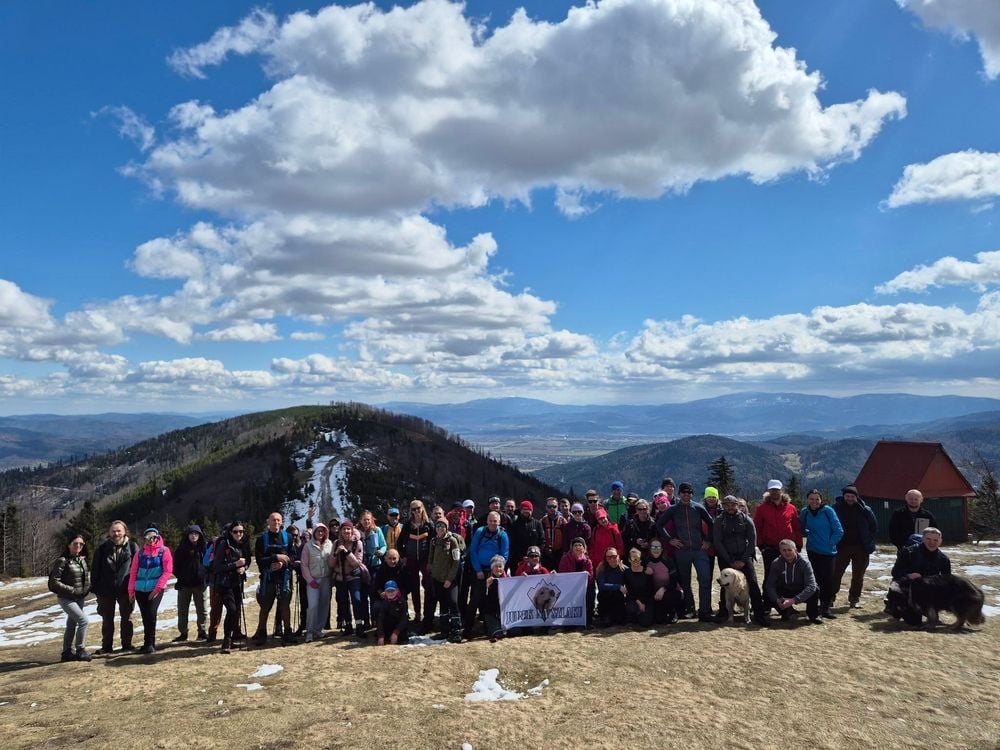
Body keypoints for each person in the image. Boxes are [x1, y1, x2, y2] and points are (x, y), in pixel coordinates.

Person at [655, 482, 715, 622]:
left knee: (705, 579)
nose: (686, 495)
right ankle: (690, 609)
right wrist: (670, 540)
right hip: (682, 551)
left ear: (692, 494)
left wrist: (708, 540)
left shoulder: (698, 507)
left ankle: (704, 611)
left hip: (699, 550)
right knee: (685, 582)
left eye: (689, 492)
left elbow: (712, 524)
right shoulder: (673, 509)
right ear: (679, 494)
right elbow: (659, 524)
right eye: (684, 492)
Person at [713, 494, 767, 626]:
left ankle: (759, 614)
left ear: (737, 505)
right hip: (726, 558)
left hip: (745, 556)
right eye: (727, 505)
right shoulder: (719, 521)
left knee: (753, 584)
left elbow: (752, 541)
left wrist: (743, 560)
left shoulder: (746, 520)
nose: (730, 507)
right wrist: (730, 560)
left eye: (733, 505)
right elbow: (717, 542)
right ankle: (724, 612)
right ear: (723, 506)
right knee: (725, 584)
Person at [90, 520, 137, 654]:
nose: (116, 533)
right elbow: (95, 570)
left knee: (127, 618)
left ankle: (127, 645)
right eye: (113, 531)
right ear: (109, 533)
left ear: (125, 531)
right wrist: (96, 588)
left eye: (119, 531)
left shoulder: (132, 547)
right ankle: (106, 647)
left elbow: (137, 567)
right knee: (107, 619)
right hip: (105, 590)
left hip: (126, 589)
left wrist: (135, 587)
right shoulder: (102, 549)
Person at [252, 511, 296, 645]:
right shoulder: (261, 539)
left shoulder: (288, 538)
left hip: (284, 578)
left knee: (285, 606)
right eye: (273, 520)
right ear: (268, 522)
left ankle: (287, 632)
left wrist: (283, 563)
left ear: (281, 522)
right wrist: (275, 558)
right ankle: (262, 633)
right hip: (268, 579)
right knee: (265, 607)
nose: (276, 522)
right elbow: (259, 560)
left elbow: (293, 557)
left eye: (278, 520)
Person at [127, 527, 174, 654]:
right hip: (140, 589)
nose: (151, 540)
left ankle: (150, 643)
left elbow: (167, 571)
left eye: (154, 537)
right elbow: (133, 573)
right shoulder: (140, 554)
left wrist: (157, 589)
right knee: (145, 616)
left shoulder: (164, 551)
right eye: (148, 538)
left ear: (158, 537)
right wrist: (131, 591)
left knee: (151, 614)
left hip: (155, 589)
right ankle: (148, 643)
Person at [800, 490, 844, 619]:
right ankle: (815, 606)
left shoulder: (828, 511)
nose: (814, 502)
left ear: (821, 500)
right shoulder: (805, 512)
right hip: (813, 550)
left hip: (828, 552)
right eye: (811, 499)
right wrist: (809, 534)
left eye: (817, 499)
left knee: (828, 580)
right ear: (807, 500)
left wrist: (830, 543)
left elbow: (839, 530)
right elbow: (801, 528)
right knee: (815, 579)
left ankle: (826, 607)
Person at [832, 485, 878, 609]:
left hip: (861, 548)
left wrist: (868, 540)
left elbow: (873, 527)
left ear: (856, 497)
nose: (849, 498)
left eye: (852, 496)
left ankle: (854, 599)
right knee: (836, 573)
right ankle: (830, 598)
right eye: (847, 496)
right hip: (841, 547)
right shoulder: (836, 508)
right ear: (843, 496)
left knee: (858, 575)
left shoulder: (865, 509)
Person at [465, 511, 509, 638]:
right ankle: (467, 628)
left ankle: (488, 627)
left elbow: (504, 555)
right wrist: (478, 569)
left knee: (491, 600)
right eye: (491, 520)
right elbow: (473, 551)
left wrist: (497, 572)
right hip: (479, 571)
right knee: (475, 599)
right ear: (487, 521)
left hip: (494, 572)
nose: (493, 523)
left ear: (499, 522)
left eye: (495, 521)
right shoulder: (480, 532)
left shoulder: (503, 535)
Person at [49, 534, 92, 662]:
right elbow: (54, 582)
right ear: (69, 545)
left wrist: (87, 589)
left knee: (71, 624)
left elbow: (84, 578)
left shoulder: (81, 559)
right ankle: (80, 650)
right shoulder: (62, 560)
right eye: (75, 543)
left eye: (81, 544)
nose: (78, 546)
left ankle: (66, 652)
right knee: (84, 621)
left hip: (80, 598)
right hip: (66, 598)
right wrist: (72, 590)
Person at [397, 500, 434, 633]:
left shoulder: (429, 524)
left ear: (422, 508)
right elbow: (399, 542)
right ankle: (417, 613)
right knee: (414, 587)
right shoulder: (407, 525)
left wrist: (431, 560)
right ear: (411, 511)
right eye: (413, 509)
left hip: (425, 560)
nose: (416, 511)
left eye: (418, 508)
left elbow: (434, 543)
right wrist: (403, 556)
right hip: (411, 560)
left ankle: (428, 613)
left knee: (428, 585)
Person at [211, 522, 248, 654]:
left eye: (241, 531)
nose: (239, 534)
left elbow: (247, 561)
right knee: (232, 609)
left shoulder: (242, 544)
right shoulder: (223, 544)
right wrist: (235, 564)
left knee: (235, 610)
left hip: (237, 582)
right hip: (224, 583)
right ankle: (226, 641)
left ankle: (230, 638)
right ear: (230, 532)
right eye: (236, 531)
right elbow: (217, 567)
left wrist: (244, 568)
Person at [765, 539, 821, 624]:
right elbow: (770, 585)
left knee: (815, 589)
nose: (787, 553)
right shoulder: (776, 563)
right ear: (780, 551)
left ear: (795, 550)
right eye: (784, 550)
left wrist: (794, 600)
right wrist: (776, 600)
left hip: (800, 589)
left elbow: (811, 585)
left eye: (789, 550)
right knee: (769, 591)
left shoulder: (805, 563)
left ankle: (813, 614)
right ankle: (786, 611)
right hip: (785, 589)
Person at [754, 480, 803, 575]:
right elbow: (757, 527)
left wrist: (799, 544)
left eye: (777, 489)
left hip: (788, 547)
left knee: (789, 574)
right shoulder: (762, 508)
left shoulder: (791, 508)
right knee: (770, 575)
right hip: (769, 548)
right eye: (772, 490)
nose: (775, 492)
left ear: (782, 490)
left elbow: (796, 527)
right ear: (769, 491)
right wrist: (761, 545)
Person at [428, 518, 465, 642]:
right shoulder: (433, 541)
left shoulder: (452, 541)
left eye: (442, 526)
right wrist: (432, 572)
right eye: (438, 526)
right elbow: (430, 558)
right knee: (443, 604)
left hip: (450, 579)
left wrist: (449, 579)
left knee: (453, 603)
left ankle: (457, 632)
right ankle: (444, 631)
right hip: (437, 578)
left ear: (446, 527)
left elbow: (456, 562)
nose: (440, 528)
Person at [172, 524, 208, 642]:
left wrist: (204, 576)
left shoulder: (204, 547)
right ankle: (183, 633)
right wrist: (182, 577)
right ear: (187, 535)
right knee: (182, 611)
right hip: (184, 584)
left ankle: (202, 632)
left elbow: (209, 563)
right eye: (191, 533)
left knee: (202, 610)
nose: (194, 536)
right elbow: (175, 566)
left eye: (196, 534)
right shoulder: (181, 549)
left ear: (200, 535)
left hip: (200, 584)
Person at [300, 522, 334, 643]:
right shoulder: (308, 546)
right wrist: (310, 580)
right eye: (318, 531)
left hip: (326, 579)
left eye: (322, 531)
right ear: (314, 532)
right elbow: (304, 565)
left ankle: (318, 630)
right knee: (313, 605)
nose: (320, 533)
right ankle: (309, 631)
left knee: (324, 605)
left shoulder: (330, 544)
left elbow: (332, 561)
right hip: (313, 580)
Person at [332, 520, 367, 636]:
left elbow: (357, 563)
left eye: (348, 529)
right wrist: (336, 553)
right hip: (340, 577)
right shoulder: (336, 543)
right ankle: (348, 625)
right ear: (340, 531)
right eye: (344, 529)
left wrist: (347, 552)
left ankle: (359, 625)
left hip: (353, 576)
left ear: (352, 530)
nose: (346, 531)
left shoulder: (358, 543)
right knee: (343, 601)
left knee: (356, 599)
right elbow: (331, 563)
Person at [558, 537, 595, 628]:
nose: (578, 547)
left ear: (584, 548)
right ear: (572, 547)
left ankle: (588, 621)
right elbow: (562, 573)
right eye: (575, 545)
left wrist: (586, 575)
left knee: (590, 592)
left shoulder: (588, 561)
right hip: (569, 587)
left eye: (580, 545)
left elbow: (590, 576)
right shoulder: (565, 559)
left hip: (584, 588)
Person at [359, 510, 387, 632]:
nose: (366, 522)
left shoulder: (377, 530)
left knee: (373, 594)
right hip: (362, 566)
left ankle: (375, 619)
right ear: (361, 521)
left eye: (368, 520)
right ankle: (366, 620)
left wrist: (381, 551)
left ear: (372, 520)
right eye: (364, 520)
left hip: (375, 565)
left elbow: (384, 545)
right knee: (363, 594)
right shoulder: (358, 532)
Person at [644, 540, 681, 624]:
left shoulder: (668, 561)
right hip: (654, 594)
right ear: (649, 549)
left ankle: (673, 612)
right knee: (658, 620)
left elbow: (674, 582)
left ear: (662, 549)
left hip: (670, 591)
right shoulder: (646, 562)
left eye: (658, 547)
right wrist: (644, 571)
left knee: (668, 597)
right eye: (653, 547)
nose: (656, 549)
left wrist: (663, 589)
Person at [507, 500, 544, 573]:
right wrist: (521, 557)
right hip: (518, 560)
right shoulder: (514, 524)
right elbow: (512, 543)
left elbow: (542, 541)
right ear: (520, 510)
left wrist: (534, 555)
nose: (526, 511)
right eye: (524, 509)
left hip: (534, 559)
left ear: (532, 511)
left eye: (528, 509)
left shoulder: (537, 524)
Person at [595, 547, 627, 627]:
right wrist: (618, 586)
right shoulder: (602, 568)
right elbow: (602, 585)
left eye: (614, 556)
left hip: (618, 598)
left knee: (620, 621)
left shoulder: (624, 569)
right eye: (609, 557)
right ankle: (606, 616)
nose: (612, 559)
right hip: (606, 598)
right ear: (606, 559)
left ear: (618, 556)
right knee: (607, 623)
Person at [623, 548, 652, 627]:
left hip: (647, 600)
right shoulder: (627, 573)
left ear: (641, 559)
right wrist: (639, 603)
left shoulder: (647, 571)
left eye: (637, 558)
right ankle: (633, 617)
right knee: (631, 608)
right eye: (633, 558)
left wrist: (644, 603)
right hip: (634, 599)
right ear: (629, 560)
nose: (635, 560)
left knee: (646, 623)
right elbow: (629, 591)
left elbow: (650, 590)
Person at [482, 555, 508, 642]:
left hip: (504, 611)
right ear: (492, 568)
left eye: (500, 566)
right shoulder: (488, 579)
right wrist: (487, 587)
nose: (498, 569)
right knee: (497, 633)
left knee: (515, 631)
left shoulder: (508, 579)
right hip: (491, 612)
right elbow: (483, 600)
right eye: (496, 566)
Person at [375, 580, 409, 645]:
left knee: (403, 639)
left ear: (397, 590)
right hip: (387, 626)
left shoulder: (402, 601)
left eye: (392, 590)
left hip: (398, 627)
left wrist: (396, 632)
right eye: (388, 591)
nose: (390, 593)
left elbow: (404, 619)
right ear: (385, 592)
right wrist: (381, 636)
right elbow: (380, 620)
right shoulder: (383, 602)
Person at [540, 498, 567, 571]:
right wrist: (544, 549)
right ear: (546, 508)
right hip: (546, 555)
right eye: (549, 507)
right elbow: (540, 538)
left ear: (557, 507)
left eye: (554, 506)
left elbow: (566, 538)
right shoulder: (542, 521)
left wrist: (564, 552)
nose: (552, 508)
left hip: (560, 554)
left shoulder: (562, 521)